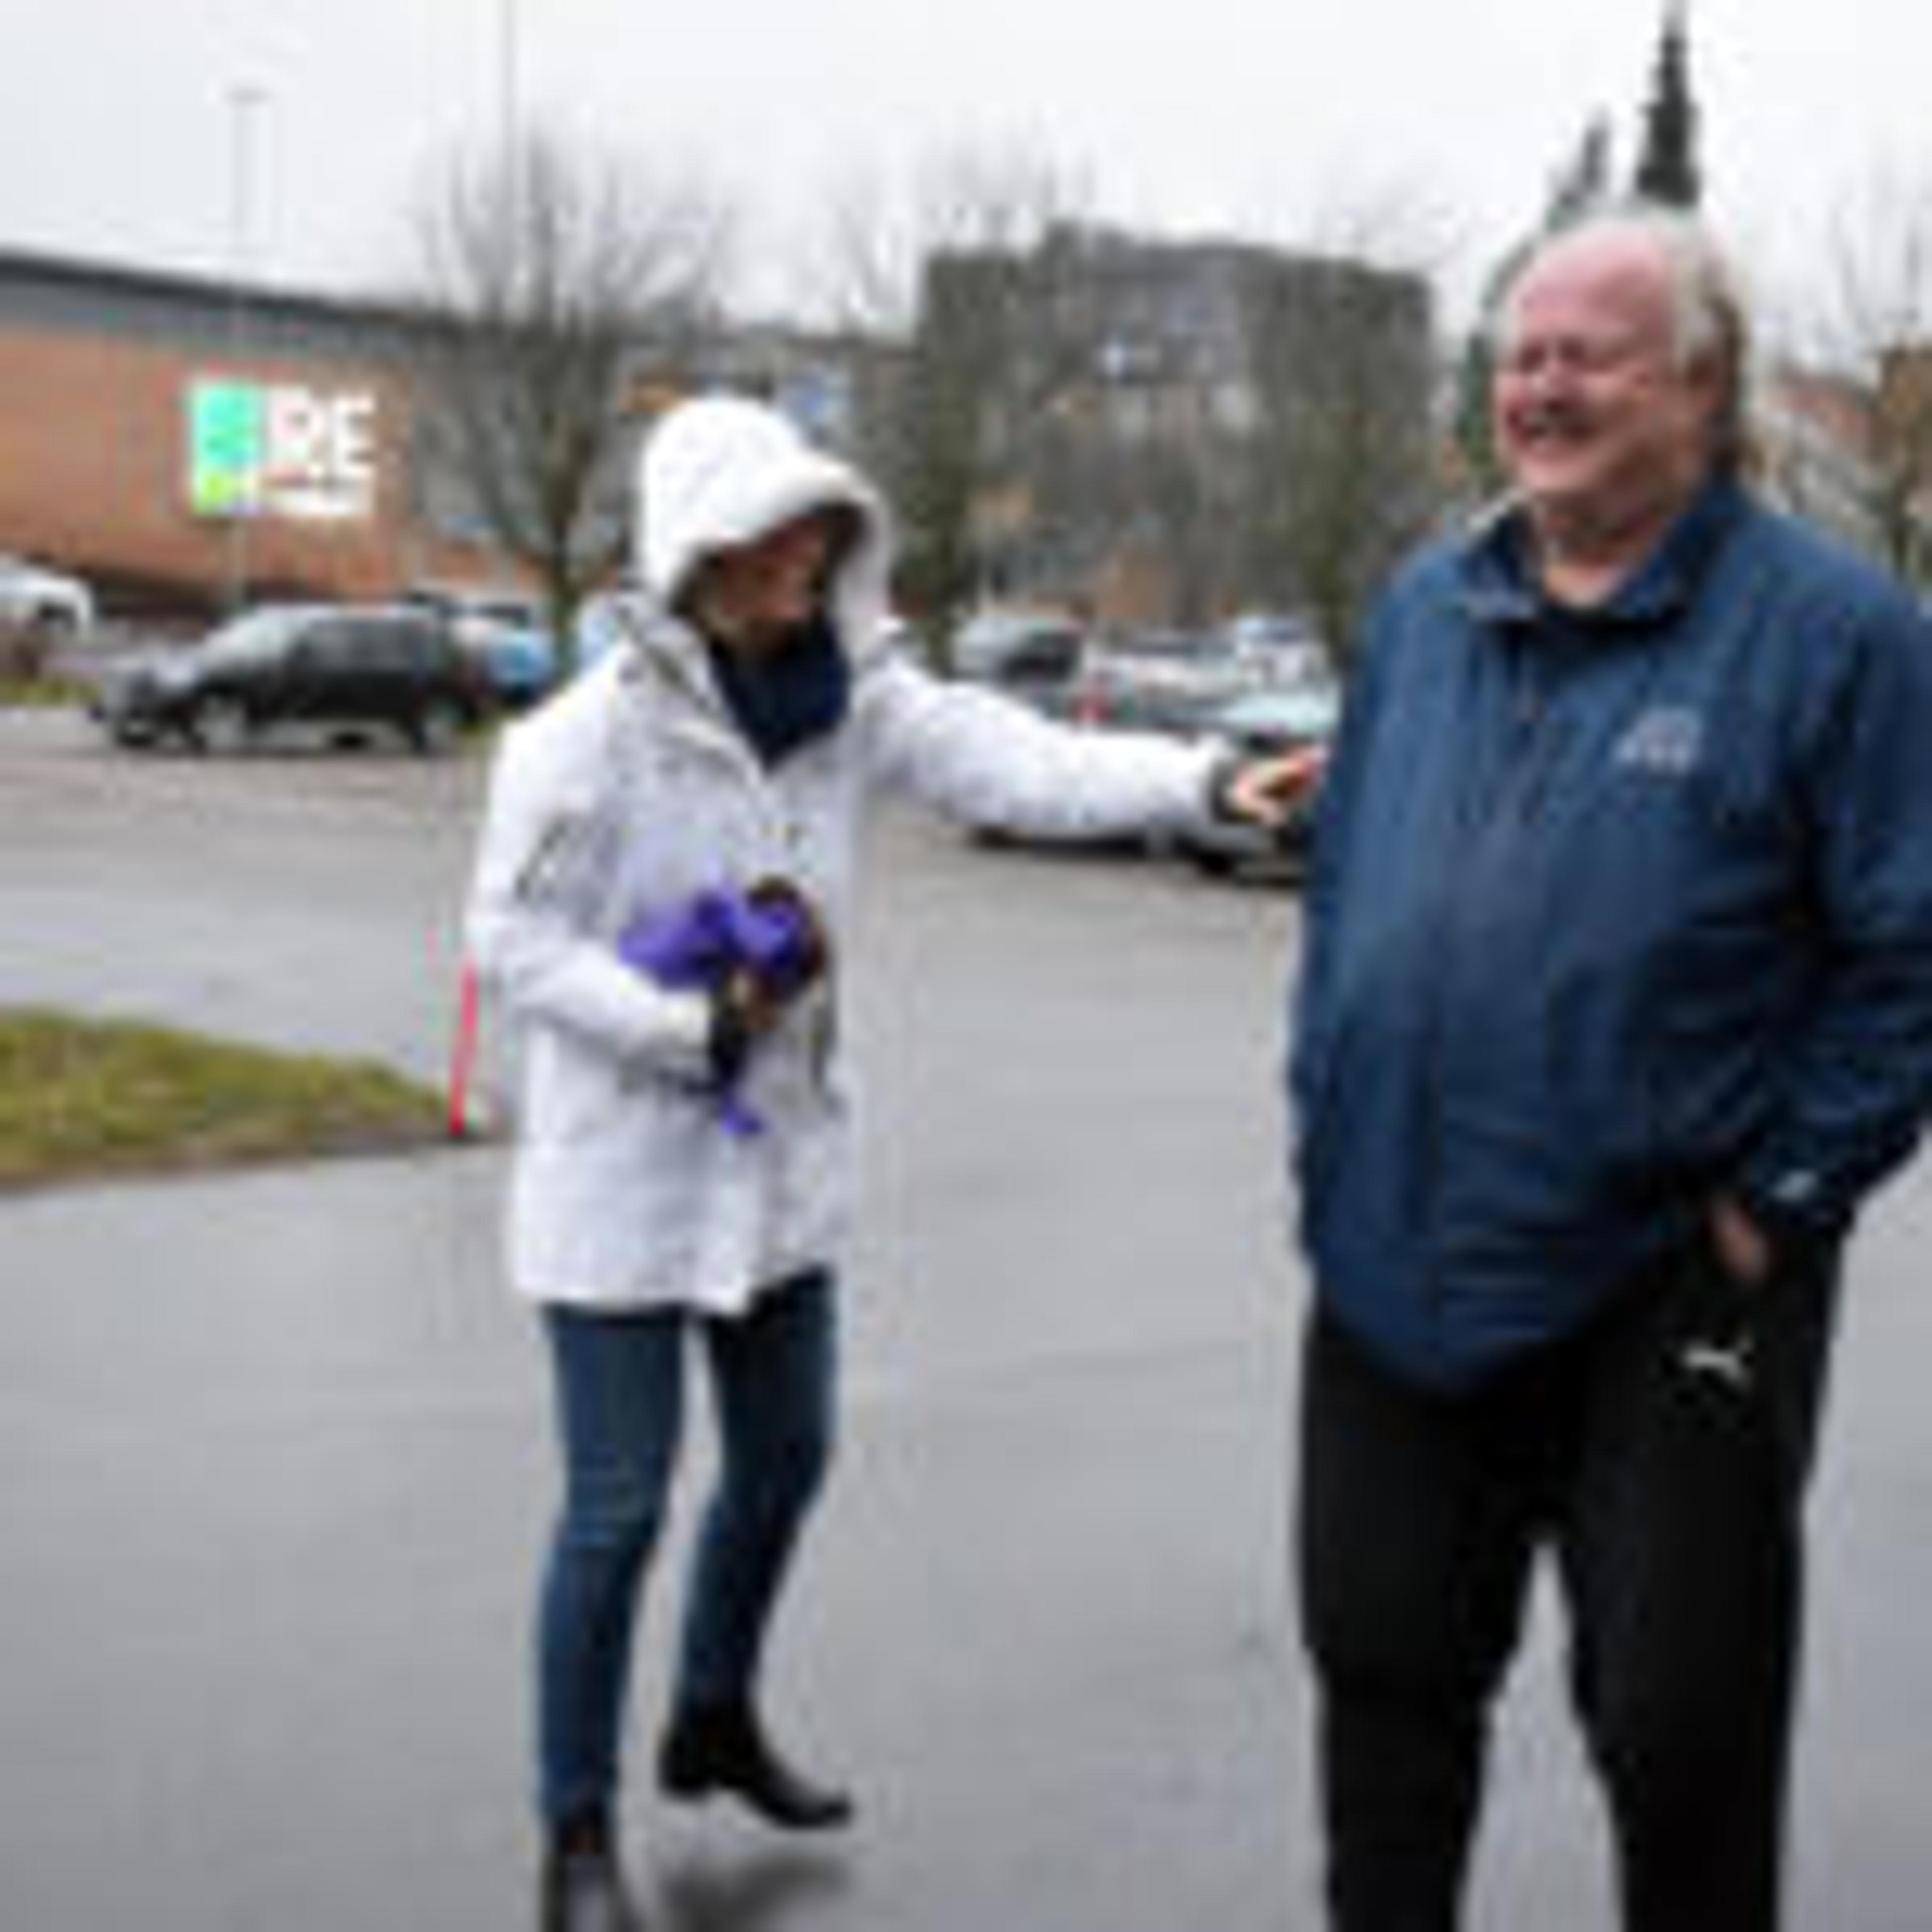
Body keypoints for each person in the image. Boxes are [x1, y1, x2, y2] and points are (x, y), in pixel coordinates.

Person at [464, 392, 1314, 1932]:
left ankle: (712, 1715)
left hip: (777, 1167)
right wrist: (679, 1027)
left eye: (821, 530)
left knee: (787, 1458)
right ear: (700, 551)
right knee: (616, 1510)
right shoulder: (580, 739)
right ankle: (573, 1833)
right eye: (775, 532)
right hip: (620, 1176)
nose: (807, 555)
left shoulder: (854, 699)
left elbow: (1021, 764)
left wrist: (1198, 783)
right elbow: (508, 943)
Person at [1287, 205, 1932, 1930]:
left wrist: (1779, 1202)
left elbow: (1910, 956)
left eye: (1590, 356)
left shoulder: (1841, 637)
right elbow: (1345, 896)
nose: (1542, 388)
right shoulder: (1426, 610)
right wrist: (1325, 1122)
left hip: (1668, 1281)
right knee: (1384, 1698)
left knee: (1680, 1742)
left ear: (1703, 389)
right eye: (1522, 356)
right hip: (1395, 1258)